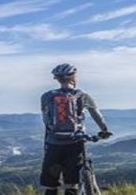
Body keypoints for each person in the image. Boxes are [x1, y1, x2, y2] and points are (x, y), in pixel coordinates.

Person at [40, 63, 112, 195]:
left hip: (53, 144)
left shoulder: (47, 97)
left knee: (51, 185)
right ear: (74, 77)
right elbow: (97, 115)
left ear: (57, 78)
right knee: (71, 183)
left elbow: (46, 120)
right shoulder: (82, 95)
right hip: (75, 143)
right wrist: (104, 129)